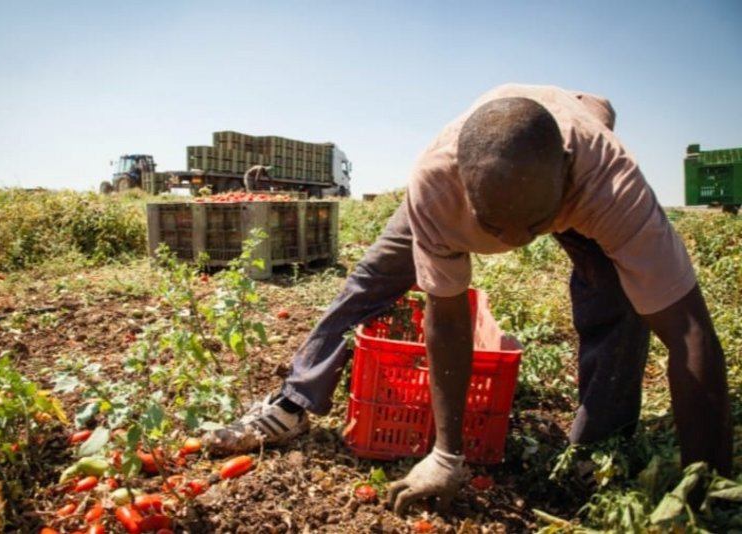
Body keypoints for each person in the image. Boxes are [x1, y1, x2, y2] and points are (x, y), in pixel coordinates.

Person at [203, 84, 732, 515]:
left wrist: (704, 489)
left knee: (617, 306)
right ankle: (297, 399)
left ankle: (596, 450)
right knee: (373, 278)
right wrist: (446, 454)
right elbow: (448, 318)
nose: (515, 242)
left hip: (578, 191)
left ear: (567, 171)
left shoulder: (610, 184)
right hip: (493, 179)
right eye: (493, 227)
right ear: (463, 184)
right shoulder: (436, 181)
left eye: (534, 226)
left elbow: (691, 335)